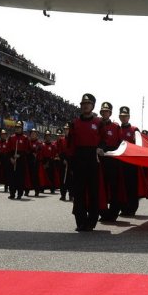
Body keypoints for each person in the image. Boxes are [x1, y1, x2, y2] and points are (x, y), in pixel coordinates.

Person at [65, 93, 103, 232]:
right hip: (78, 158)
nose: (85, 106)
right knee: (78, 192)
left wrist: (101, 148)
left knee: (93, 191)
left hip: (93, 158)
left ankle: (92, 221)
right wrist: (70, 161)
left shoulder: (99, 122)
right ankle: (80, 221)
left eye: (88, 103)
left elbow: (104, 140)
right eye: (83, 104)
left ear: (93, 106)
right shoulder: (74, 123)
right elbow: (70, 143)